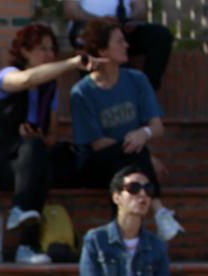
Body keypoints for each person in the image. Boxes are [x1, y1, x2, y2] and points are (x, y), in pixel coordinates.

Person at [0, 24, 100, 265]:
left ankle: (25, 239)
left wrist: (36, 136)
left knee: (49, 156)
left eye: (52, 49)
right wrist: (71, 64)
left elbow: (51, 137)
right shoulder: (4, 76)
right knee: (34, 157)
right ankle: (23, 223)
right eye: (41, 49)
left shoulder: (50, 89)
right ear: (25, 52)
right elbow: (25, 79)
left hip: (27, 163)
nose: (48, 55)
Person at [71, 19, 181, 243]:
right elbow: (97, 144)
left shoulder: (136, 80)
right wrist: (147, 156)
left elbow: (156, 126)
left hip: (128, 162)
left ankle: (123, 238)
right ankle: (159, 211)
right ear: (103, 50)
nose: (127, 45)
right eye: (120, 41)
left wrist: (145, 134)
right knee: (132, 157)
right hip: (94, 163)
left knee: (129, 173)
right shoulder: (82, 92)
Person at [64, 0, 172, 91]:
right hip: (89, 29)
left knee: (161, 36)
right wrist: (99, 21)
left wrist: (133, 19)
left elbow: (141, 10)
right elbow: (70, 11)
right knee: (116, 65)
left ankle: (147, 90)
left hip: (123, 29)